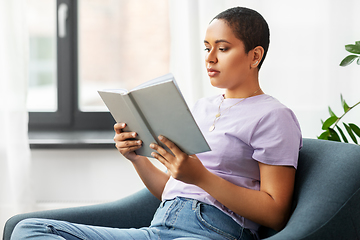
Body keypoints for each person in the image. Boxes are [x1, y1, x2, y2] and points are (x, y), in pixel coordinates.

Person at [11, 6, 302, 240]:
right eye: (206, 48)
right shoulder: (202, 107)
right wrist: (137, 159)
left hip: (213, 232)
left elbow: (275, 212)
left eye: (222, 49)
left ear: (255, 56)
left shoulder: (273, 116)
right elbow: (172, 189)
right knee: (30, 229)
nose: (210, 58)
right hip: (159, 227)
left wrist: (202, 177)